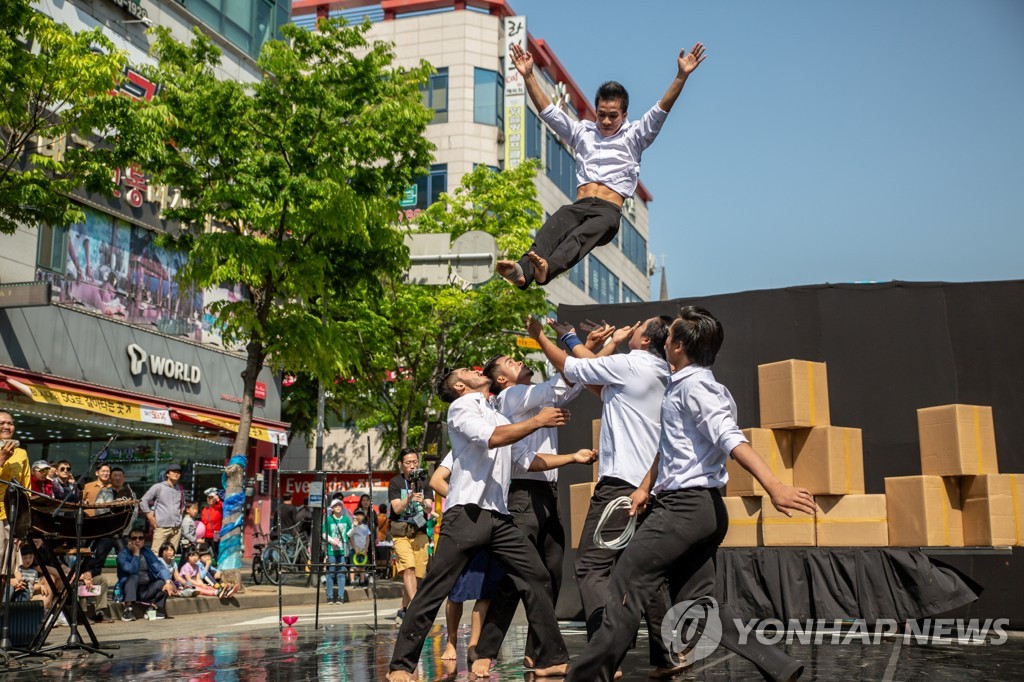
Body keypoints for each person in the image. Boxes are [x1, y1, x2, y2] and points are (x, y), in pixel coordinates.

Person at [567, 307, 816, 681]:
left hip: (683, 510)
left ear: (679, 346)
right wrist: (644, 487)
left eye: (669, 337)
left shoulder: (695, 388)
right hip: (704, 512)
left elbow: (731, 439)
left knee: (625, 585)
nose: (665, 340)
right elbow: (669, 445)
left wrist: (775, 487)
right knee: (697, 607)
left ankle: (586, 676)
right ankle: (779, 666)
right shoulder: (698, 386)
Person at [386, 367, 594, 681]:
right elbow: (493, 439)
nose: (474, 369)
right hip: (466, 513)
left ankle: (550, 657)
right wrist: (537, 420)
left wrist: (572, 458)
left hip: (499, 516)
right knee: (434, 589)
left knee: (536, 576)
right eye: (466, 371)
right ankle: (401, 666)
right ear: (459, 385)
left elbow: (528, 459)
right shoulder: (461, 407)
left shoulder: (498, 415)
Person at [529, 314, 685, 676]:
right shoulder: (661, 374)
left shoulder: (634, 365)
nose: (634, 327)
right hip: (650, 484)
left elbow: (574, 364)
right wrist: (594, 345)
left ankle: (603, 655)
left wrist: (548, 335)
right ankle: (667, 654)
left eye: (640, 326)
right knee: (646, 573)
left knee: (591, 569)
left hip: (621, 485)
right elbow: (598, 384)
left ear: (647, 340)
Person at [496, 42, 706, 289]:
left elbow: (662, 109)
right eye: (601, 114)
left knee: (580, 236)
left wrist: (681, 76)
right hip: (581, 204)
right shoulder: (582, 132)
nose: (606, 120)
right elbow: (549, 111)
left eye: (613, 116)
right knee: (556, 223)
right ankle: (524, 272)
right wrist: (529, 75)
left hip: (607, 211)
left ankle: (546, 271)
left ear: (624, 115)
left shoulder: (636, 136)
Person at [473, 350, 582, 668]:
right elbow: (562, 385)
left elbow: (573, 381)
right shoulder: (512, 397)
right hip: (523, 496)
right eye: (509, 362)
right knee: (516, 578)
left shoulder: (533, 397)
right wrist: (571, 347)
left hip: (548, 495)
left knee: (554, 571)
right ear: (501, 379)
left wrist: (587, 351)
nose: (518, 361)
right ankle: (485, 652)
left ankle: (537, 651)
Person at [387, 449, 435, 624]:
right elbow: (397, 508)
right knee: (408, 568)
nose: (412, 465)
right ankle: (415, 608)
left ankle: (404, 609)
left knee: (419, 574)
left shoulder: (425, 481)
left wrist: (422, 501)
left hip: (420, 530)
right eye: (408, 462)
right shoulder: (395, 482)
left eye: (415, 462)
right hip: (400, 532)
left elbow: (430, 509)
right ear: (401, 464)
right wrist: (408, 498)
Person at [0, 412, 32, 573]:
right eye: (2, 423)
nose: (7, 426)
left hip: (13, 516)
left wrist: (23, 527)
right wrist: (2, 458)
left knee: (8, 571)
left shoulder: (21, 453)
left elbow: (26, 489)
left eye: (10, 423)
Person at [116, 530, 172, 621]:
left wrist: (168, 581)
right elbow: (131, 570)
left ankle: (154, 609)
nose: (138, 540)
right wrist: (136, 554)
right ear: (129, 540)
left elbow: (159, 567)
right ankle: (128, 610)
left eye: (141, 538)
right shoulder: (122, 555)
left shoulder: (147, 552)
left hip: (146, 589)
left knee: (163, 583)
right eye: (134, 538)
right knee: (133, 577)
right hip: (129, 590)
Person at [140, 463, 185, 552]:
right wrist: (149, 516)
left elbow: (182, 505)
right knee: (155, 554)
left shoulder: (180, 488)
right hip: (161, 527)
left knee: (171, 554)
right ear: (167, 474)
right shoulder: (158, 487)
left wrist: (180, 519)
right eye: (173, 471)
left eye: (178, 472)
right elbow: (143, 500)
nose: (176, 474)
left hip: (176, 528)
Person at [323, 498, 351, 604]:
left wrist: (353, 528)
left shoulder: (346, 519)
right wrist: (331, 541)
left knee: (341, 573)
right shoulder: (328, 519)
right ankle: (330, 597)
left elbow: (350, 534)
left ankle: (340, 597)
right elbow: (324, 534)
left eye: (340, 505)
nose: (338, 507)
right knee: (330, 573)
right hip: (331, 550)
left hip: (343, 550)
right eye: (336, 506)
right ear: (332, 508)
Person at [348, 509, 372, 588]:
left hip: (363, 550)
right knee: (353, 566)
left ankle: (362, 581)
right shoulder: (353, 526)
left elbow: (367, 538)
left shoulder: (365, 527)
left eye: (361, 515)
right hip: (354, 549)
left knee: (362, 566)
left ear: (364, 516)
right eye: (357, 515)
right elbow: (350, 537)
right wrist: (355, 548)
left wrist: (366, 548)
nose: (359, 517)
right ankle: (352, 581)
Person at [199, 487, 223, 557]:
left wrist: (218, 500)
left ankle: (218, 566)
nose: (210, 499)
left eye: (212, 497)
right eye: (208, 497)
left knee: (217, 553)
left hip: (215, 535)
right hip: (205, 536)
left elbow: (226, 507)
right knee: (202, 553)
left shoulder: (219, 508)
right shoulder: (205, 510)